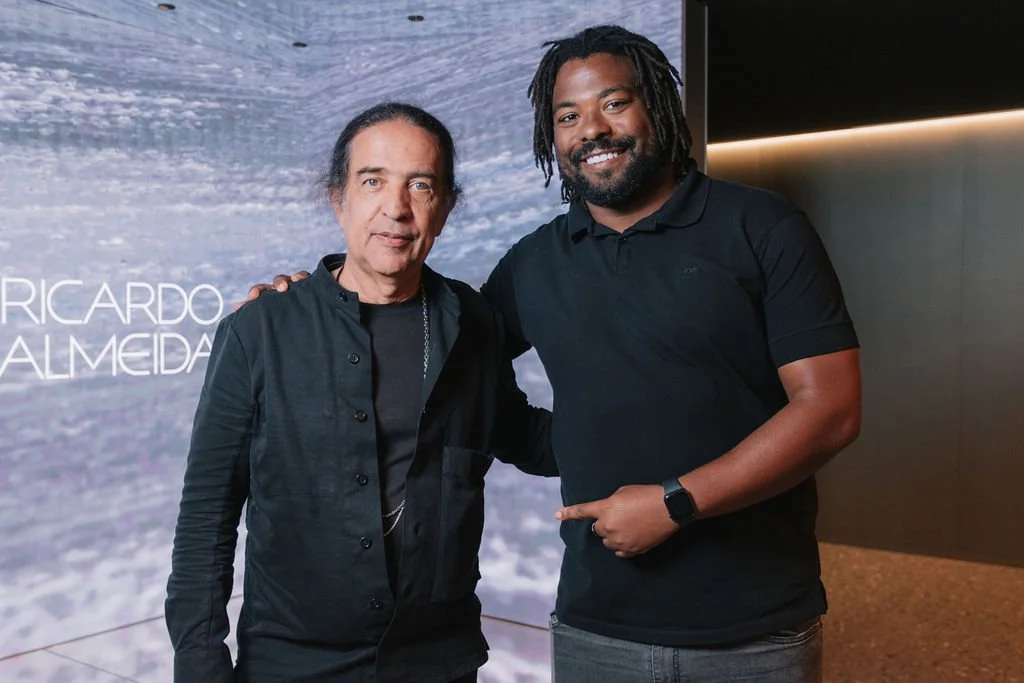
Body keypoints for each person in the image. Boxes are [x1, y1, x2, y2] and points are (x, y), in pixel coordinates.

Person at [251, 25, 862, 683]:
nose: (590, 129)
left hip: (757, 630)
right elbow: (438, 356)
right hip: (596, 626)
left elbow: (830, 409)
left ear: (656, 105)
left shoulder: (761, 228)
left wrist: (674, 501)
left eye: (614, 103)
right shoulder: (535, 264)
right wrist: (308, 301)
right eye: (567, 116)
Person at [166, 102, 554, 683]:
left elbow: (526, 437)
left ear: (445, 207)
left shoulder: (473, 322)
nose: (395, 210)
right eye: (372, 181)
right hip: (291, 665)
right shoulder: (261, 330)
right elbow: (206, 519)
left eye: (420, 185)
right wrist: (201, 668)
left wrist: (666, 409)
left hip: (436, 664)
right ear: (338, 197)